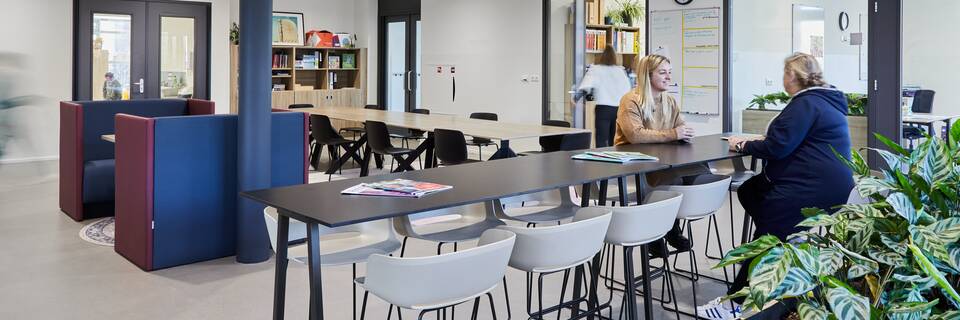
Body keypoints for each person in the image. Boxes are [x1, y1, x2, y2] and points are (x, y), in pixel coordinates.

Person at [697, 52, 855, 320]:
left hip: (809, 187)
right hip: (834, 186)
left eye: (785, 73)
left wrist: (744, 144)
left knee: (766, 235)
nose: (783, 79)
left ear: (792, 76)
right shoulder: (823, 100)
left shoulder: (806, 103)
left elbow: (778, 146)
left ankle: (735, 303)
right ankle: (788, 238)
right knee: (750, 190)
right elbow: (793, 139)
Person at [614, 53, 704, 257]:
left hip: (662, 159)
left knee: (697, 172)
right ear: (648, 75)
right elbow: (635, 135)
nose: (668, 77)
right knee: (674, 179)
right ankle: (659, 233)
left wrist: (685, 132)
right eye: (663, 72)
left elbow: (680, 125)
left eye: (669, 72)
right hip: (636, 163)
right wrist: (673, 134)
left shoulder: (669, 100)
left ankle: (669, 227)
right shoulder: (630, 100)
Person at [577, 46, 632, 147]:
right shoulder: (620, 70)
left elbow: (586, 86)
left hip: (603, 109)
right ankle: (614, 160)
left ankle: (601, 161)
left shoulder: (596, 69)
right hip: (619, 109)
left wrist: (576, 99)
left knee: (601, 139)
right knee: (615, 140)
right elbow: (628, 89)